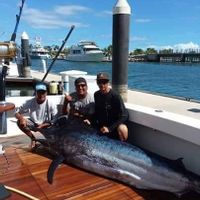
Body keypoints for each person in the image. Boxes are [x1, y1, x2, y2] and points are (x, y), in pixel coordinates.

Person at [15, 82, 58, 148]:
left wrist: (43, 125)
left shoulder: (51, 103)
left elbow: (55, 119)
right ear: (35, 93)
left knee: (52, 144)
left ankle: (45, 141)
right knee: (19, 122)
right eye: (39, 92)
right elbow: (16, 112)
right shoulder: (29, 102)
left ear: (46, 93)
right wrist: (21, 119)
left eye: (43, 92)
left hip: (46, 126)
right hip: (33, 124)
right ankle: (33, 139)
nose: (41, 95)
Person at [93, 72, 129, 141]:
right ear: (97, 83)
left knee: (122, 128)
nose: (102, 84)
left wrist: (110, 128)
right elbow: (97, 112)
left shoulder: (115, 96)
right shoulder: (96, 95)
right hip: (102, 126)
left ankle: (123, 145)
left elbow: (124, 115)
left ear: (108, 83)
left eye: (104, 82)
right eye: (99, 82)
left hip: (113, 126)